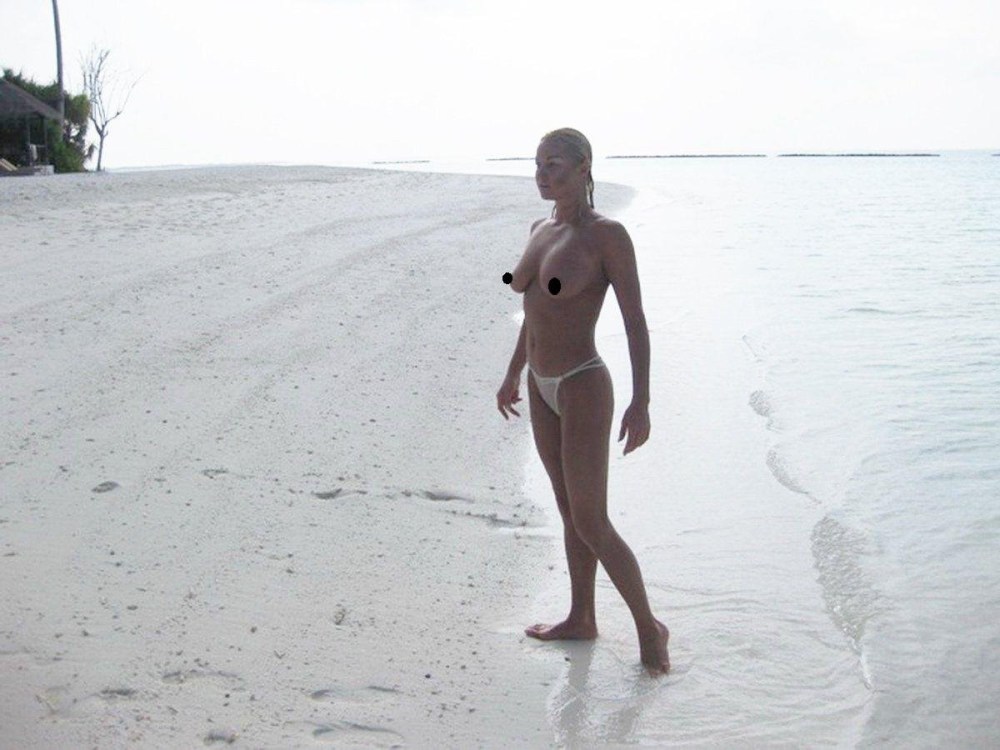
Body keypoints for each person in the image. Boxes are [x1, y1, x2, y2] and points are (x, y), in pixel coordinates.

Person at [497, 127, 670, 675]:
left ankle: (649, 627)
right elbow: (533, 311)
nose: (542, 174)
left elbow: (635, 321)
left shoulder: (607, 236)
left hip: (582, 384)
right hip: (540, 385)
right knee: (569, 510)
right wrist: (513, 373)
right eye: (538, 164)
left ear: (583, 167)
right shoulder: (539, 229)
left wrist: (642, 401)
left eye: (554, 164)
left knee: (592, 519)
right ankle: (581, 617)